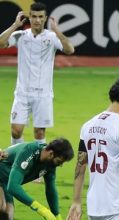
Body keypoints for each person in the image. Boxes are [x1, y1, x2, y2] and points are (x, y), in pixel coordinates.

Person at [67, 77, 119, 220]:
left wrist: (76, 201)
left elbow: (80, 165)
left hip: (94, 206)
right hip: (116, 206)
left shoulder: (87, 126)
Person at [0, 2, 75, 145]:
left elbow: (70, 50)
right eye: (34, 16)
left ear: (45, 18)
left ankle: (38, 165)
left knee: (39, 133)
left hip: (43, 94)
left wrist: (58, 31)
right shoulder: (20, 35)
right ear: (29, 17)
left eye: (40, 17)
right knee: (16, 130)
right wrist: (15, 25)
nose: (37, 20)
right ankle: (18, 161)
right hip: (22, 93)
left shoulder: (52, 37)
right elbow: (1, 43)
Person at [0, 138, 74, 220]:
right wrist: (40, 209)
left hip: (5, 181)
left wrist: (57, 215)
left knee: (8, 215)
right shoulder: (28, 152)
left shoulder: (50, 163)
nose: (60, 165)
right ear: (51, 153)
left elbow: (51, 189)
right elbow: (13, 187)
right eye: (59, 161)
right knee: (2, 209)